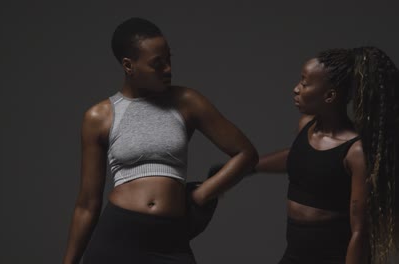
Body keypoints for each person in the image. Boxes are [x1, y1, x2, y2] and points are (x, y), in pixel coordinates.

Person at [62, 17, 258, 264]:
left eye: (169, 59)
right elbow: (87, 204)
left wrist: (203, 194)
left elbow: (246, 154)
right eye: (157, 64)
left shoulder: (186, 101)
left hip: (169, 241)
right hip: (117, 238)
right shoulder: (99, 117)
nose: (168, 69)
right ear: (128, 65)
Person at [252, 47, 398, 263]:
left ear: (329, 95)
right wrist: (248, 167)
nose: (296, 89)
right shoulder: (306, 127)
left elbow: (360, 231)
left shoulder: (356, 151)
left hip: (333, 256)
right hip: (294, 253)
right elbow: (300, 157)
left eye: (305, 83)